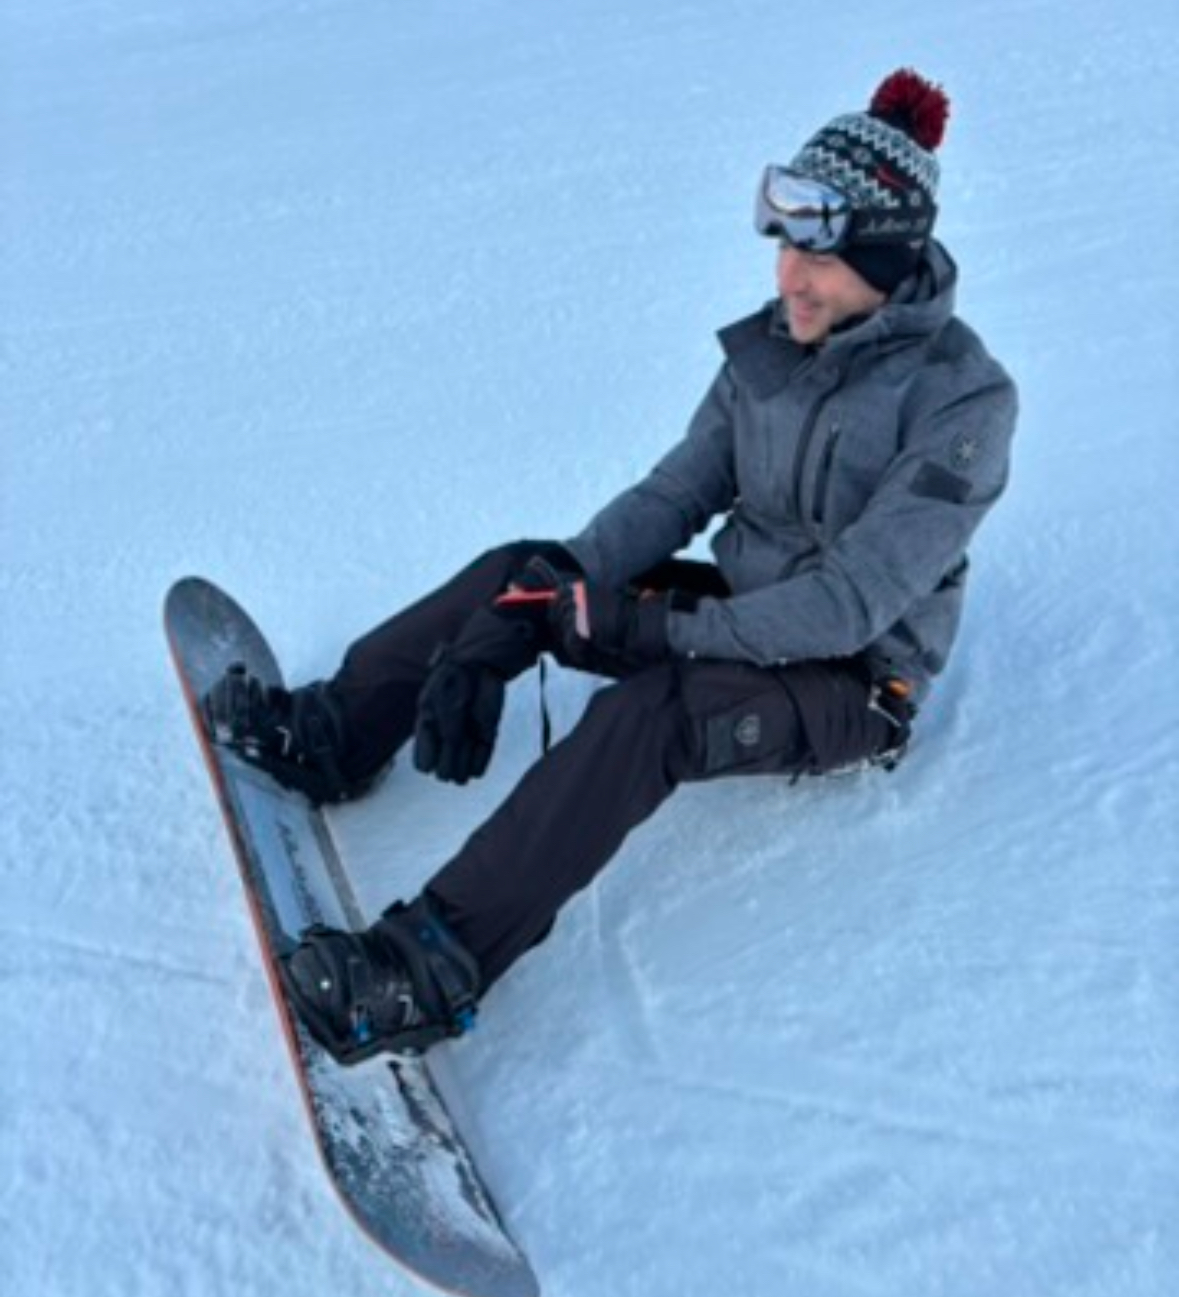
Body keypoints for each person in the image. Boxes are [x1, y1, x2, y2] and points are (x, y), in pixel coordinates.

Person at [205, 68, 1018, 1065]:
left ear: (887, 261)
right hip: (748, 606)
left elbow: (851, 604)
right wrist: (524, 609)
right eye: (784, 250)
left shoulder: (963, 403)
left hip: (853, 679)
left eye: (818, 257)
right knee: (524, 567)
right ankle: (335, 732)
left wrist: (658, 629)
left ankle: (430, 967)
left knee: (652, 713)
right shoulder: (775, 349)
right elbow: (673, 495)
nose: (788, 280)